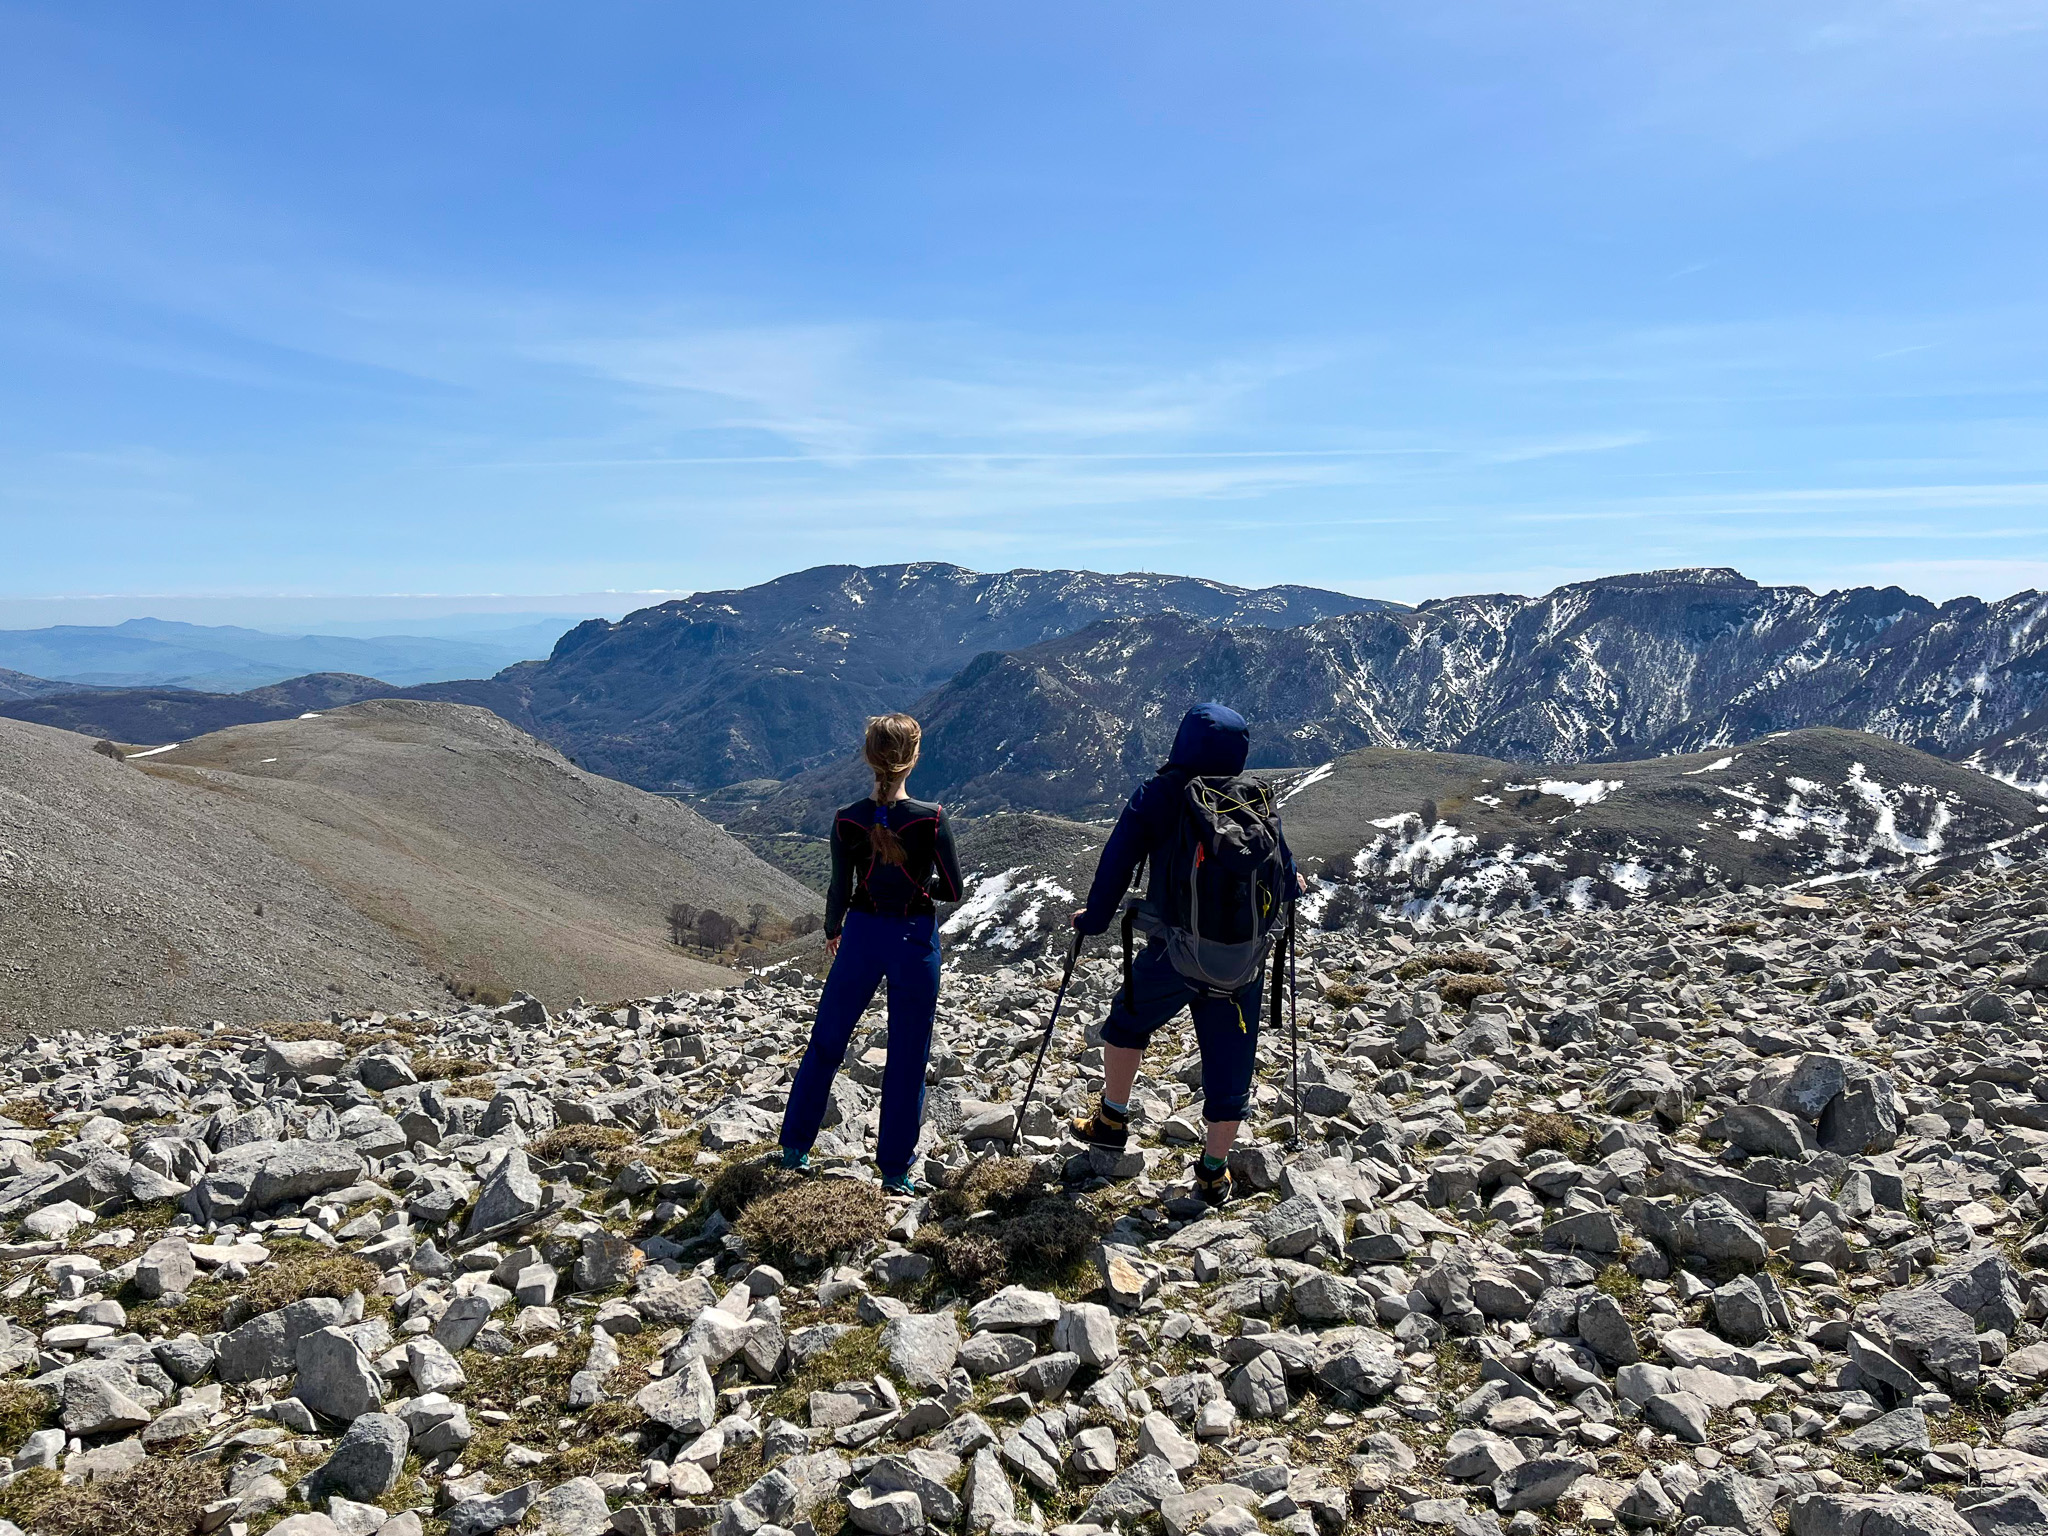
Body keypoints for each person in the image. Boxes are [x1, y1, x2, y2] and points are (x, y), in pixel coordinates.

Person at [1070, 702, 1300, 1206]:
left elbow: (1117, 860)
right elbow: (1289, 880)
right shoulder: (1254, 801)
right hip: (1243, 958)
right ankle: (1213, 1175)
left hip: (1174, 952)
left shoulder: (1161, 793)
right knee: (1231, 1059)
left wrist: (1094, 920)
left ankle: (1111, 1119)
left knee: (1128, 1022)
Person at [779, 713, 963, 1194]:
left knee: (827, 1041)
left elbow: (840, 887)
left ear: (868, 757)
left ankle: (795, 1148)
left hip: (860, 934)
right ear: (913, 757)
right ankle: (895, 1171)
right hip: (914, 938)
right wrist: (921, 882)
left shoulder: (847, 819)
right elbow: (954, 890)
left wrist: (832, 930)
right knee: (907, 1052)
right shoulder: (932, 818)